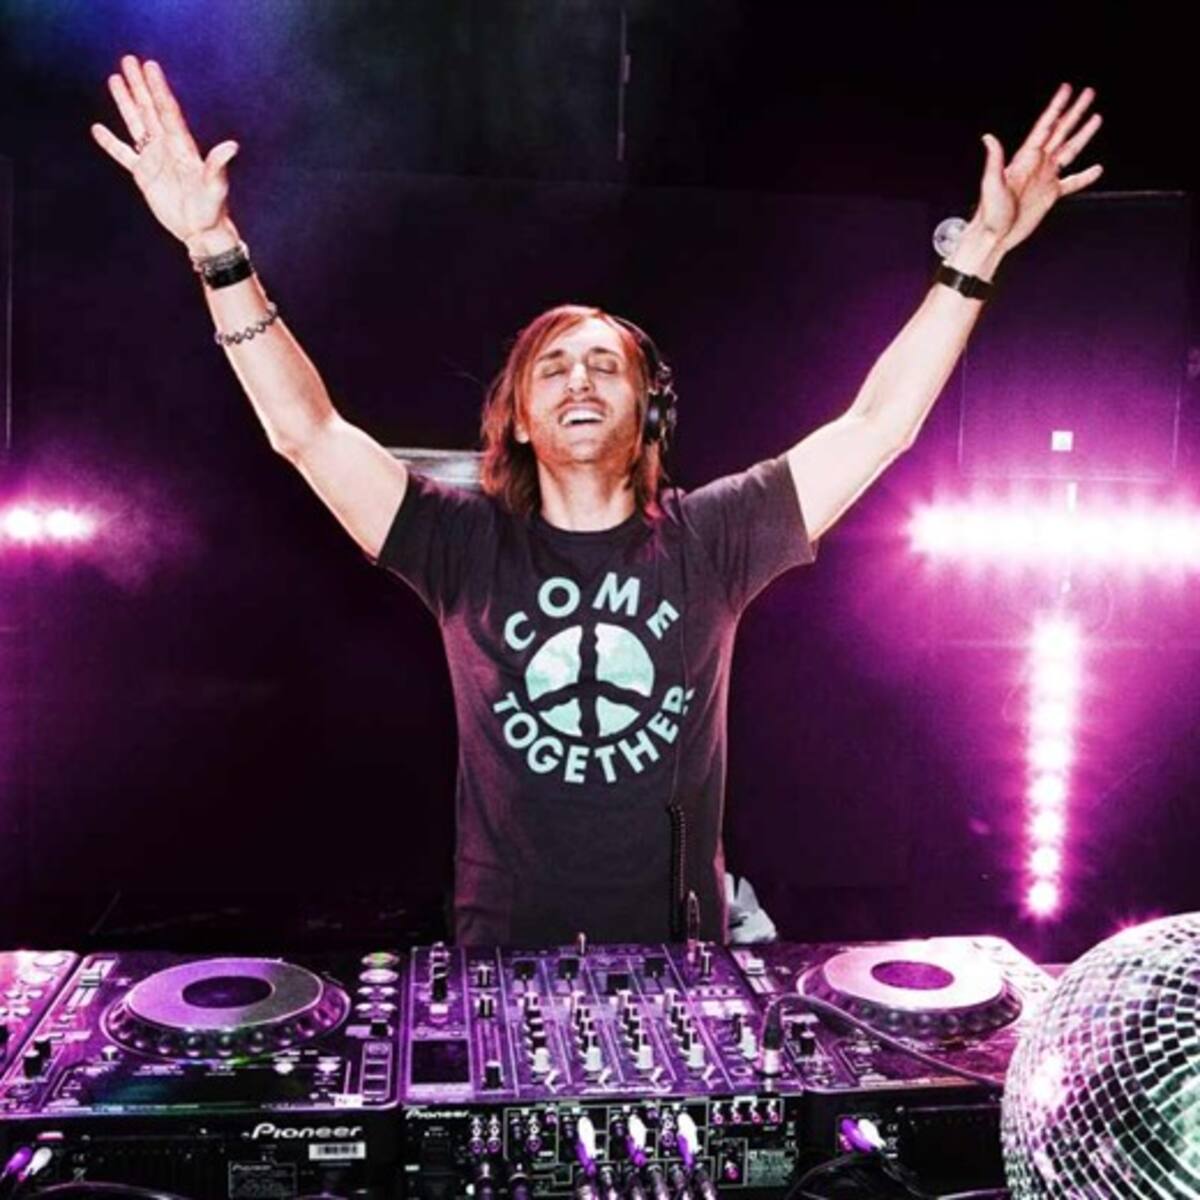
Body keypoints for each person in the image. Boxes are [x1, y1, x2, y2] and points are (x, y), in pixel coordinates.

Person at [92, 57, 1103, 945]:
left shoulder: (715, 535)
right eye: (554, 368)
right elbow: (306, 431)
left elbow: (877, 424)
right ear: (521, 420)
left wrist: (977, 255)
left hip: (683, 958)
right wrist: (214, 246)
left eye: (605, 365)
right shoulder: (458, 544)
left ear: (649, 411)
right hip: (502, 960)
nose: (579, 380)